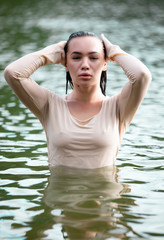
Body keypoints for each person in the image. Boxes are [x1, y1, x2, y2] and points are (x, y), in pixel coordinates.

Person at [4, 31, 152, 169]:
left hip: (105, 196)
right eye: (76, 57)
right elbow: (13, 73)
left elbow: (141, 76)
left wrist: (114, 51)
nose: (85, 65)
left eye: (94, 58)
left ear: (105, 63)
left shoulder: (119, 107)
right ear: (66, 64)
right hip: (60, 196)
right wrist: (51, 52)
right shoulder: (49, 105)